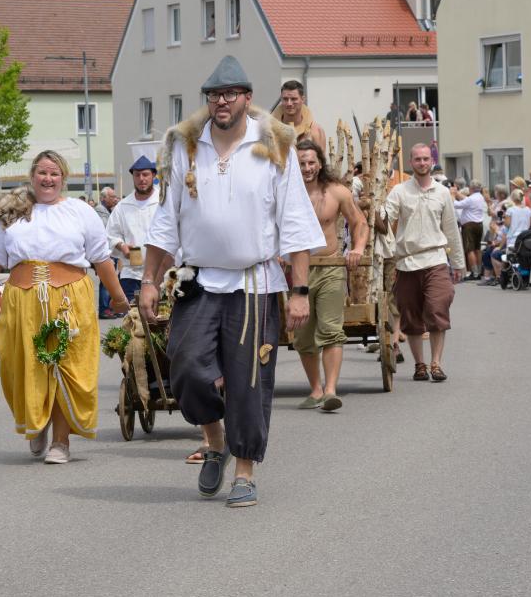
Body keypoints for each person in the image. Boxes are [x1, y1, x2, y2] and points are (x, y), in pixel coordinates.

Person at [140, 55, 324, 508]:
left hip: (254, 282)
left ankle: (244, 470)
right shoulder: (185, 146)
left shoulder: (275, 146)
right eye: (213, 95)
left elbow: (297, 225)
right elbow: (166, 221)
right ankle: (215, 440)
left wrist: (298, 292)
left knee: (248, 379)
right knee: (185, 367)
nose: (220, 102)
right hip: (198, 280)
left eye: (229, 94)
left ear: (246, 98)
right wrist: (148, 279)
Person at [0, 151, 128, 466]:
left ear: (63, 178)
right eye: (42, 172)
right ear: (32, 176)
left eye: (54, 173)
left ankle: (61, 440)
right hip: (22, 300)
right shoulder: (11, 213)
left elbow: (101, 259)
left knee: (64, 369)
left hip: (69, 300)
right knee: (21, 365)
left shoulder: (80, 212)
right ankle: (36, 420)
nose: (48, 179)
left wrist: (119, 297)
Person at [381, 143, 466, 382]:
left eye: (425, 159)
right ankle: (419, 364)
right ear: (411, 162)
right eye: (417, 159)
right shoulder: (399, 191)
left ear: (431, 162)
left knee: (437, 307)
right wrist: (376, 211)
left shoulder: (442, 193)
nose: (421, 163)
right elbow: (386, 217)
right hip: (407, 262)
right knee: (411, 316)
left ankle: (436, 363)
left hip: (435, 259)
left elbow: (451, 229)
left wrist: (458, 263)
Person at [293, 140, 367, 413]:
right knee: (301, 336)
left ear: (320, 164)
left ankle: (331, 390)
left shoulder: (336, 192)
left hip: (330, 267)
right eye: (301, 163)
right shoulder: (285, 192)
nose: (307, 168)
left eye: (311, 162)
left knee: (331, 330)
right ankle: (315, 389)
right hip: (297, 271)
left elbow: (359, 222)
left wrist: (357, 249)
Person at [105, 156, 160, 307]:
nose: (141, 179)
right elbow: (110, 234)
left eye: (145, 174)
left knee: (161, 320)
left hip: (160, 273)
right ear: (133, 177)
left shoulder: (163, 201)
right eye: (137, 175)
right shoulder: (123, 206)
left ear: (153, 175)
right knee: (134, 321)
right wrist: (121, 246)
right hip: (132, 273)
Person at [271, 79, 327, 153]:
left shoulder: (316, 131)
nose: (289, 103)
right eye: (285, 99)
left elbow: (321, 162)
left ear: (302, 99)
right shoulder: (269, 130)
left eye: (294, 99)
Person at [453, 180, 487, 280]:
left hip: (469, 226)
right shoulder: (480, 197)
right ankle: (479, 271)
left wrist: (451, 196)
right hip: (479, 224)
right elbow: (466, 199)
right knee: (477, 248)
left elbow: (456, 204)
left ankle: (474, 272)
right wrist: (457, 193)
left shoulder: (471, 199)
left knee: (469, 249)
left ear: (471, 188)